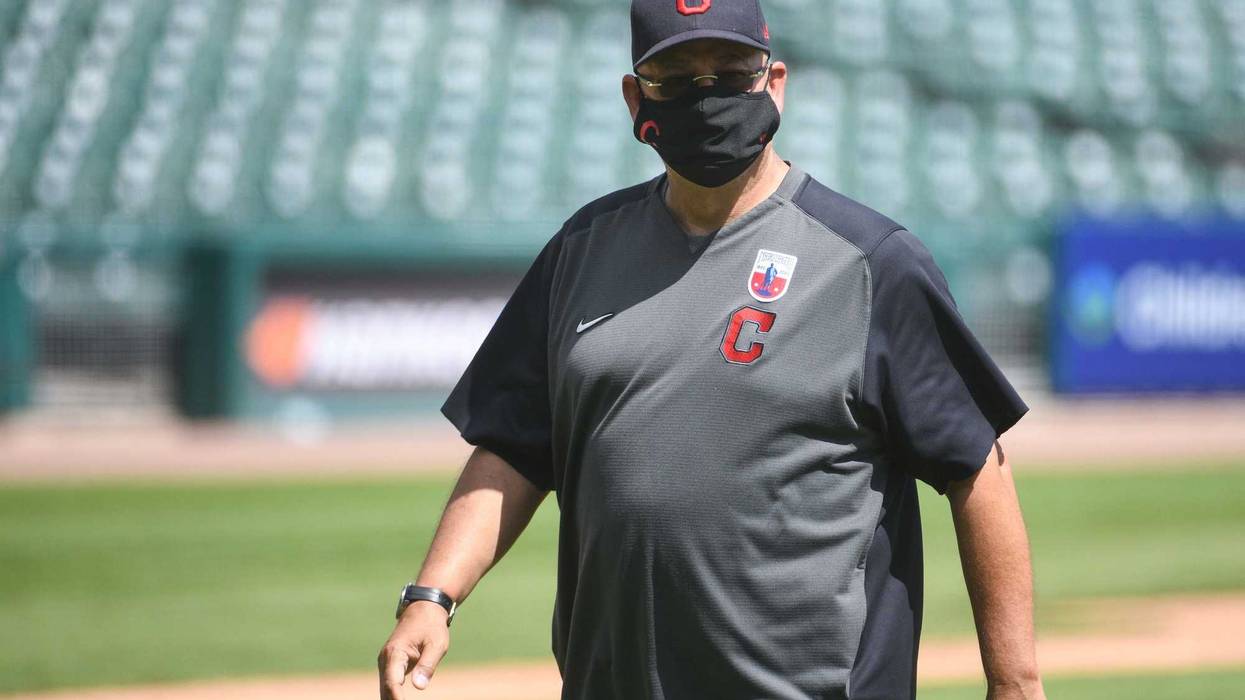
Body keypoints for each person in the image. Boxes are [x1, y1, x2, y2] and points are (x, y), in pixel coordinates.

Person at [379, 0, 1046, 698]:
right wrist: (433, 594)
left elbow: (978, 470)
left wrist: (1014, 684)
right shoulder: (580, 250)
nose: (707, 95)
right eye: (676, 76)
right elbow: (513, 446)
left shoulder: (870, 261)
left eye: (730, 71)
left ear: (774, 83)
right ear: (635, 97)